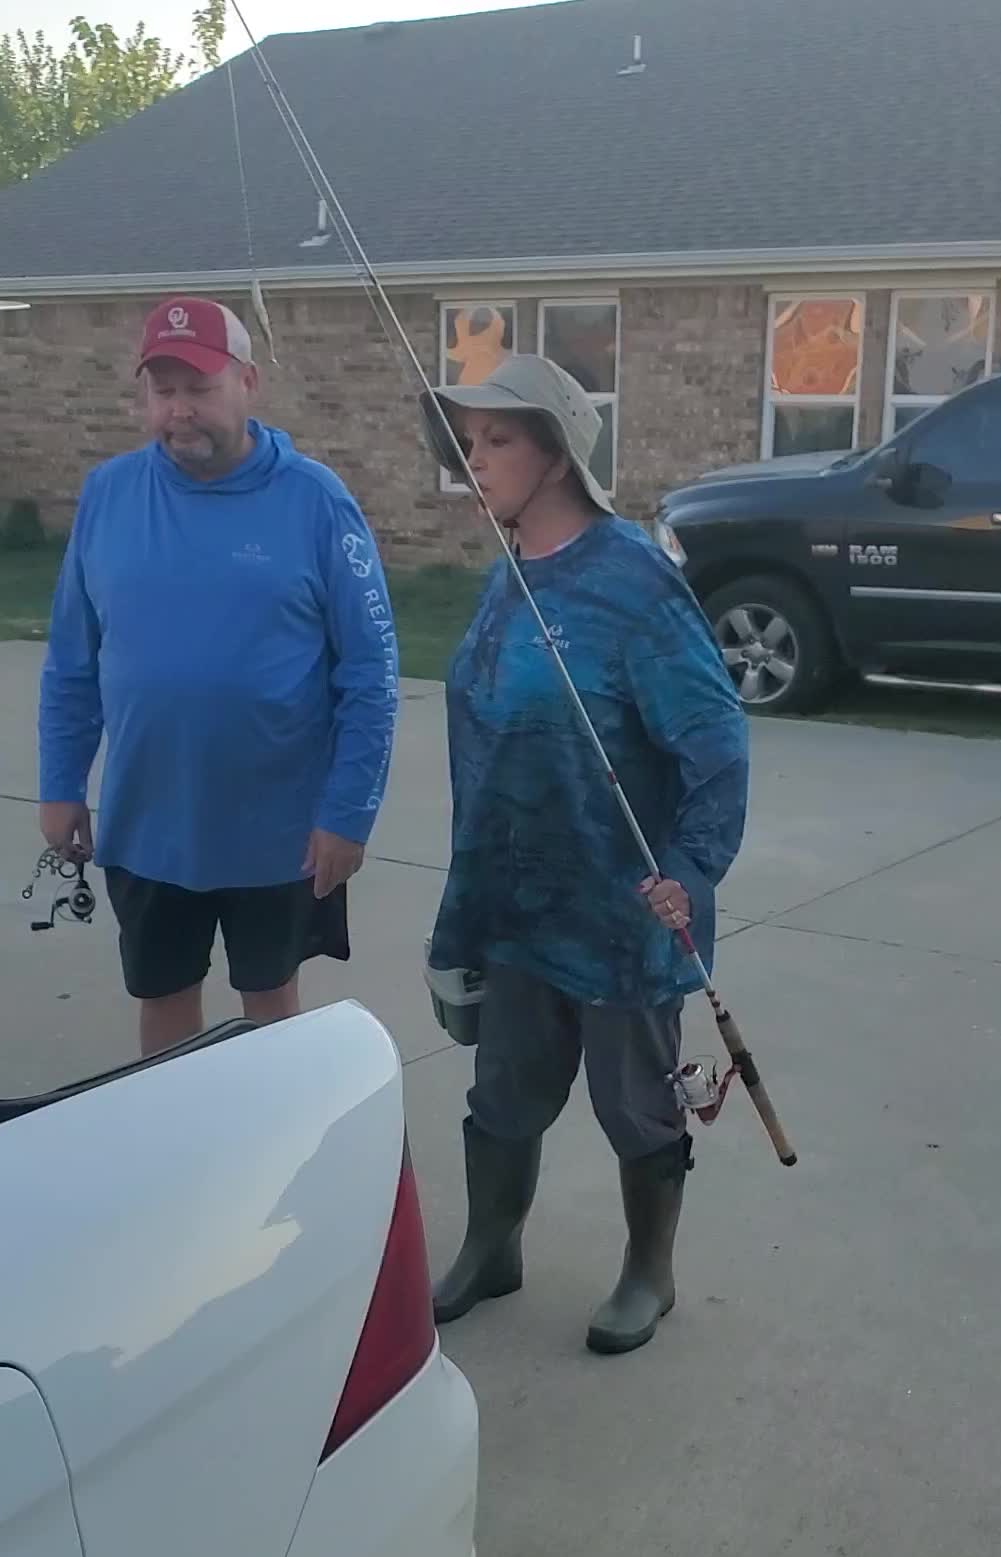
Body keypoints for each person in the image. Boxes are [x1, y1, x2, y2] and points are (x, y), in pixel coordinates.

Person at [418, 355, 749, 1357]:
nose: (475, 461)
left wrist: (689, 869)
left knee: (635, 1104)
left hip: (620, 913)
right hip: (517, 901)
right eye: (468, 443)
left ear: (558, 455)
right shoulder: (506, 576)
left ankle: (650, 1272)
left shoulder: (632, 580)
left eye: (498, 440)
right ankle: (492, 1247)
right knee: (503, 1095)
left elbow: (715, 740)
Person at [38, 296, 398, 1058]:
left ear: (248, 383)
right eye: (163, 390)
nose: (180, 411)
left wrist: (349, 811)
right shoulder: (108, 494)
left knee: (270, 1007)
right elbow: (72, 660)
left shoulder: (316, 501)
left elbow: (371, 673)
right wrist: (60, 783)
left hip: (279, 835)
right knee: (164, 1004)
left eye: (199, 388)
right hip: (148, 824)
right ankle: (176, 1131)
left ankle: (276, 1132)